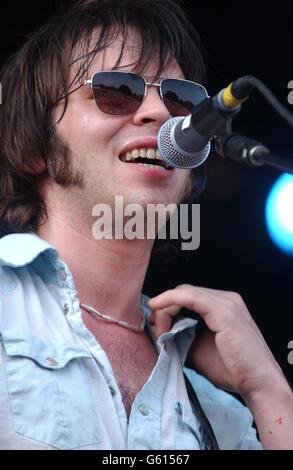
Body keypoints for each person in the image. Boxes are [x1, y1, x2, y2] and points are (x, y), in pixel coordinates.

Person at [0, 0, 292, 451]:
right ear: (35, 143)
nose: (160, 113)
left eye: (180, 98)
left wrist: (271, 392)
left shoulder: (216, 406)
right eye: (116, 90)